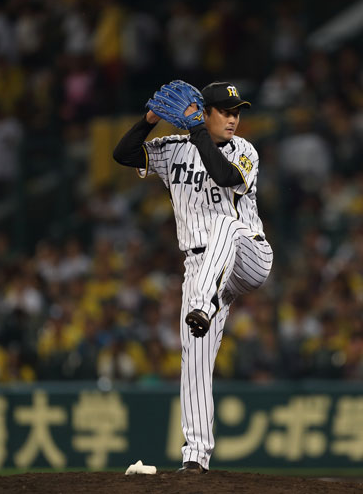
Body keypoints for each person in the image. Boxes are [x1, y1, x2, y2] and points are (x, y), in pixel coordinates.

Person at [112, 81, 273, 473]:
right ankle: (196, 457)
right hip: (201, 267)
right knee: (195, 358)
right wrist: (150, 119)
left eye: (237, 112)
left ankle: (202, 303)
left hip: (248, 255)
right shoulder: (174, 150)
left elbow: (223, 176)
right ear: (205, 110)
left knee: (225, 224)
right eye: (225, 111)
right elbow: (124, 154)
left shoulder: (244, 151)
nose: (233, 119)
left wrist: (198, 128)